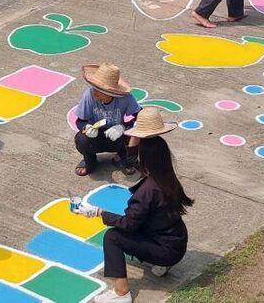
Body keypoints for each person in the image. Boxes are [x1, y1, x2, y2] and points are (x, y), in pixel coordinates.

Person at [74, 108, 192, 303]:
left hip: (165, 251)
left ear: (144, 160)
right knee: (143, 222)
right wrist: (137, 137)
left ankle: (121, 293)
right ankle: (161, 264)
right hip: (177, 242)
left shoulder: (148, 191)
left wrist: (98, 212)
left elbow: (128, 224)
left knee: (113, 237)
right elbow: (133, 161)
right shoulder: (166, 174)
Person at [73, 63, 142, 177]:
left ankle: (121, 156)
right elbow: (80, 121)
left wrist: (123, 127)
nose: (95, 92)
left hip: (118, 137)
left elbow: (142, 117)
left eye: (100, 90)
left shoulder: (126, 98)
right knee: (81, 139)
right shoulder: (89, 95)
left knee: (140, 135)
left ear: (112, 92)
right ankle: (90, 160)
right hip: (95, 136)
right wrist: (87, 127)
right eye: (94, 87)